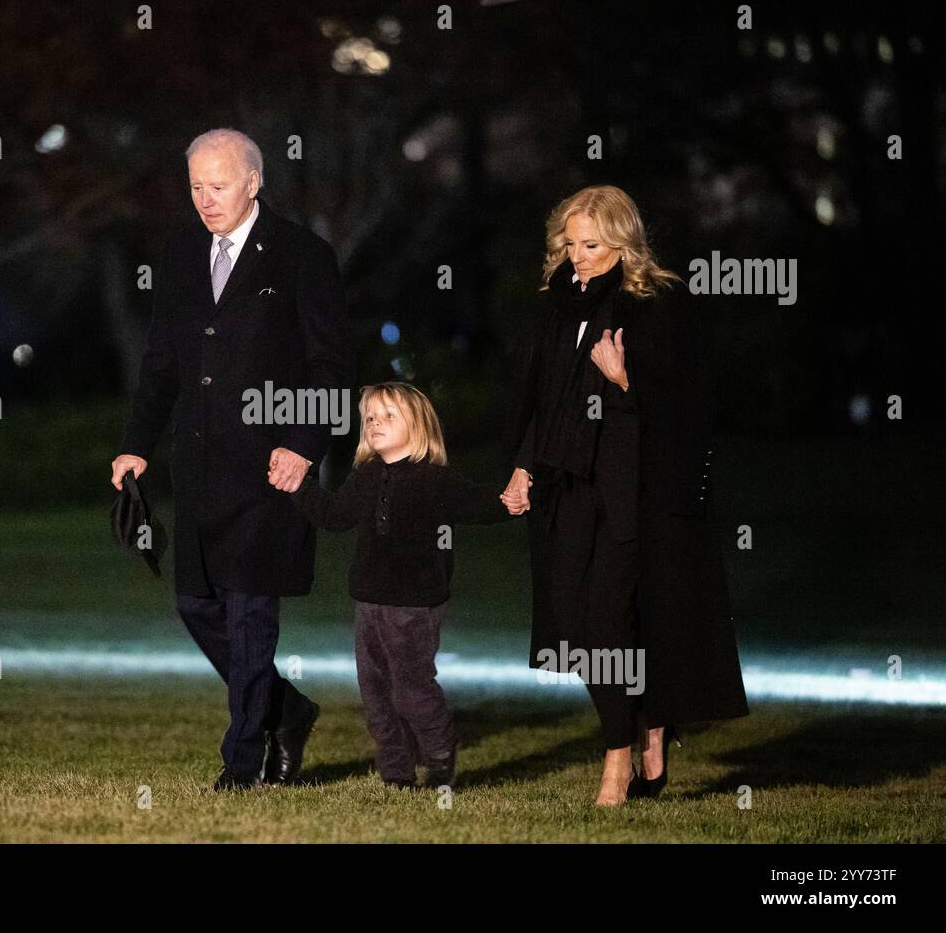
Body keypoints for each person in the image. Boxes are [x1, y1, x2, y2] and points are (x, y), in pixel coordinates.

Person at [111, 128, 353, 791]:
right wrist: (136, 444)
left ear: (253, 182)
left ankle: (241, 764)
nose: (205, 199)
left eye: (218, 185)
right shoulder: (183, 251)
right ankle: (289, 709)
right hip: (198, 467)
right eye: (195, 186)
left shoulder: (303, 256)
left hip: (272, 469)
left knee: (251, 616)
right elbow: (161, 362)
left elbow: (333, 368)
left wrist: (306, 447)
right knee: (196, 606)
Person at [501, 185, 749, 806]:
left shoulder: (657, 303)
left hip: (632, 492)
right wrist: (522, 468)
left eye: (591, 244)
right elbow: (541, 401)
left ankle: (621, 756)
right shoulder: (555, 304)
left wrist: (625, 378)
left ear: (622, 243)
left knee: (611, 623)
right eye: (570, 242)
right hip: (567, 486)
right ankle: (645, 727)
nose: (577, 255)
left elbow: (690, 406)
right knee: (575, 627)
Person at [291, 382, 511, 790]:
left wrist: (512, 499)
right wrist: (299, 487)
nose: (376, 423)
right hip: (369, 603)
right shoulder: (365, 477)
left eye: (389, 416)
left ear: (419, 425)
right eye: (370, 417)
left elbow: (480, 505)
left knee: (410, 689)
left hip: (415, 605)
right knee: (376, 696)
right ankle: (396, 774)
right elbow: (334, 515)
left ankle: (440, 754)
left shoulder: (435, 480)